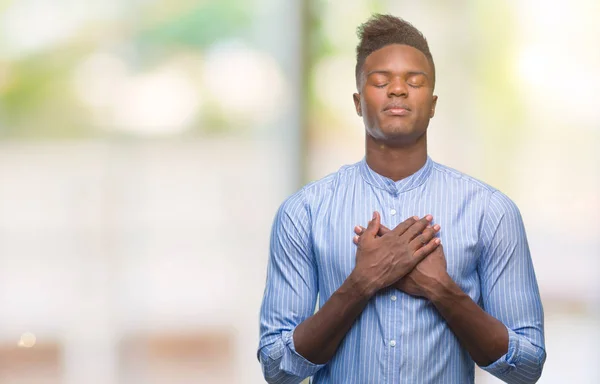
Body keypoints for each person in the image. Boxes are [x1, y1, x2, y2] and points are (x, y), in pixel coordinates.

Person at [258, 14, 546, 384]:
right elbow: (276, 367)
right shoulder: (304, 212)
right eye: (381, 81)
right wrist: (361, 283)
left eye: (414, 81)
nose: (397, 90)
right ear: (359, 101)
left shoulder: (490, 212)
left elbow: (527, 367)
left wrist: (441, 289)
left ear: (433, 103)